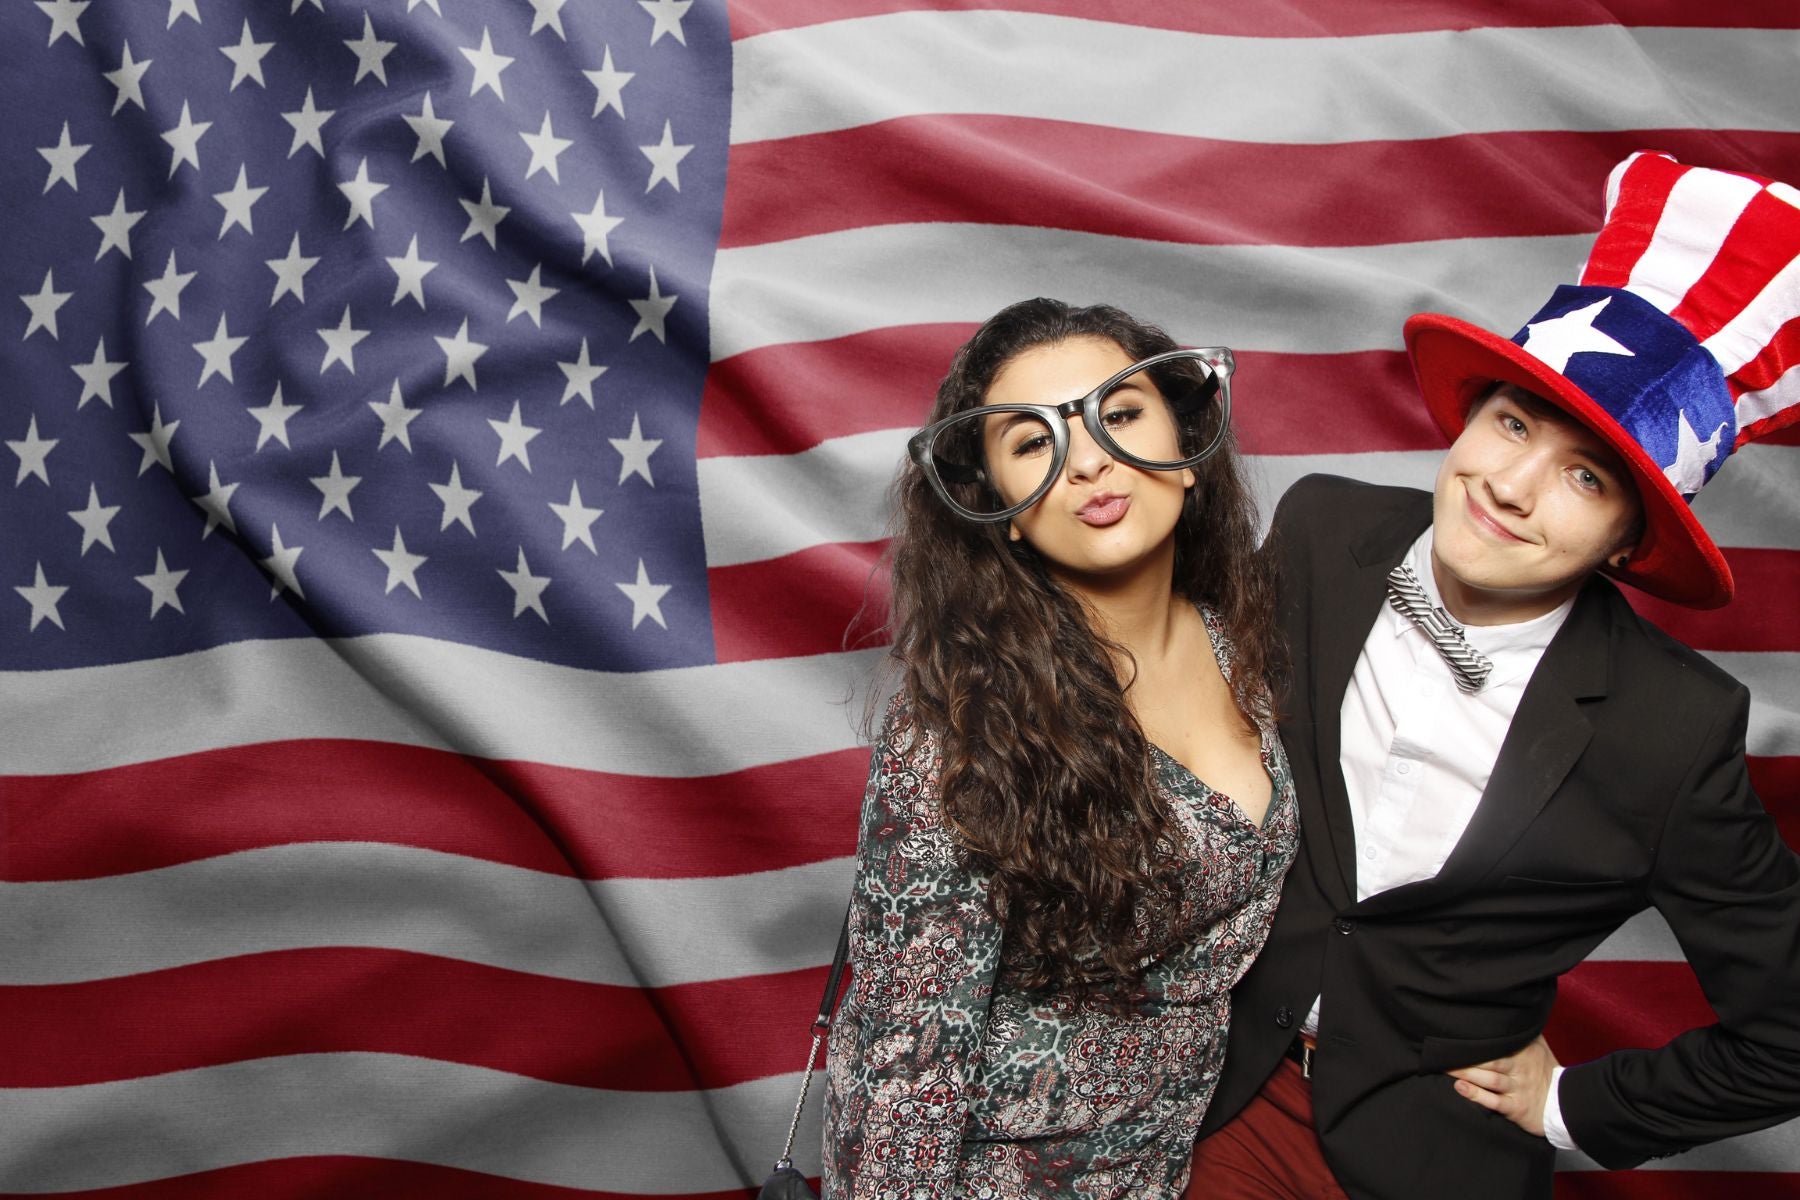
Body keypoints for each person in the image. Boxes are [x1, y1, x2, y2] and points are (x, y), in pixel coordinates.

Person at [1188, 150, 1800, 1199]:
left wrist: (1573, 1105)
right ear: (1470, 414)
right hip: (1195, 1096)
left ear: (1627, 539)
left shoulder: (1670, 728)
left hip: (1419, 1161)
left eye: (1584, 475)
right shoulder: (1323, 530)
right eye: (1513, 424)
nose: (1510, 488)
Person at [820, 299, 1299, 1199]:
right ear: (999, 509)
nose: (1089, 460)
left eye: (1120, 414)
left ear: (1187, 449)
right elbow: (903, 1072)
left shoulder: (1252, 646)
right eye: (1033, 443)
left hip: (1172, 1169)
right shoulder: (960, 731)